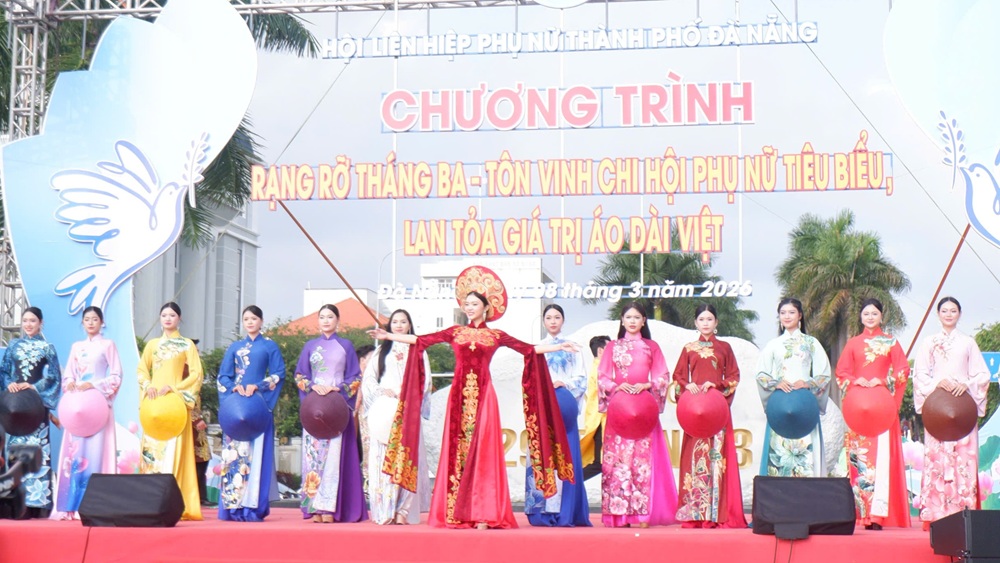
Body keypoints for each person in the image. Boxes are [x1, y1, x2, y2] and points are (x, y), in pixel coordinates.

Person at [369, 265, 576, 530]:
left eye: (474, 304)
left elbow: (529, 349)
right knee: (457, 453)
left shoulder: (495, 335)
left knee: (484, 453)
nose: (469, 308)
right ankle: (457, 511)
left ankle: (484, 512)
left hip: (484, 397)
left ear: (486, 307)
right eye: (466, 304)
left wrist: (558, 346)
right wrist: (389, 335)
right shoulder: (455, 332)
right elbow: (422, 340)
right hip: (459, 397)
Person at [598, 302, 677, 528]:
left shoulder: (651, 347)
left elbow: (663, 376)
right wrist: (616, 387)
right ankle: (620, 515)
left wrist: (647, 384)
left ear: (644, 321)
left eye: (637, 317)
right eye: (628, 317)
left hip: (643, 409)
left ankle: (644, 514)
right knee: (619, 462)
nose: (632, 321)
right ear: (622, 321)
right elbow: (602, 377)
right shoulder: (612, 347)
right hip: (620, 410)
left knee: (643, 462)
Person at [913, 297, 990, 528]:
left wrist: (966, 383)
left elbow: (982, 375)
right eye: (944, 311)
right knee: (936, 459)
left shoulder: (968, 343)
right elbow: (919, 375)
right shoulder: (929, 342)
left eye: (953, 311)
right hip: (938, 408)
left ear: (959, 314)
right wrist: (937, 383)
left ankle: (963, 512)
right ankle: (935, 514)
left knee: (964, 459)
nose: (948, 314)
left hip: (962, 409)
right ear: (938, 314)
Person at [835, 297, 910, 530]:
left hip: (881, 408)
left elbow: (903, 371)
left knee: (881, 458)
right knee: (859, 460)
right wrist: (855, 381)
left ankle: (877, 514)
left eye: (874, 313)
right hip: (859, 409)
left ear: (881, 316)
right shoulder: (853, 343)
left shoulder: (891, 342)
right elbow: (841, 373)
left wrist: (883, 380)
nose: (870, 317)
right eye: (866, 313)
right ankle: (861, 512)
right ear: (860, 317)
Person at [673, 303, 746, 529]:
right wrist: (688, 386)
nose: (705, 323)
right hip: (695, 412)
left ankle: (717, 514)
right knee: (694, 459)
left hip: (716, 410)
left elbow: (734, 376)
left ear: (716, 323)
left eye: (709, 319)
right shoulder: (688, 348)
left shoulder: (725, 347)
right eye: (701, 319)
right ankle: (695, 514)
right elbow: (678, 377)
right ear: (695, 323)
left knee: (718, 460)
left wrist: (716, 385)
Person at [294, 304, 366, 523]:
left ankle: (330, 509)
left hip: (335, 406)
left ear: (338, 320)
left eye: (330, 317)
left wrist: (338, 388)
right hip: (315, 407)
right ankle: (314, 508)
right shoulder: (309, 346)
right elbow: (300, 375)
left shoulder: (345, 346)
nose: (326, 321)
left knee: (334, 458)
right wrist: (312, 386)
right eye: (322, 317)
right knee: (313, 458)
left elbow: (355, 377)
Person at [51, 306, 121, 520]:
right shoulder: (77, 347)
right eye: (87, 319)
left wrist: (94, 385)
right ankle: (70, 506)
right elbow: (68, 376)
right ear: (82, 323)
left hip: (97, 405)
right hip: (78, 408)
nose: (90, 323)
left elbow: (116, 376)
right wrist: (71, 384)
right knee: (74, 455)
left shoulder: (108, 345)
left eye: (95, 319)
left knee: (97, 452)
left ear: (102, 322)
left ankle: (95, 504)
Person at [217, 305, 286, 522]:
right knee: (234, 456)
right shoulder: (235, 347)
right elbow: (223, 376)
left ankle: (252, 507)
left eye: (254, 318)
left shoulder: (269, 346)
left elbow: (279, 374)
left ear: (261, 321)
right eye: (246, 319)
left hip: (258, 406)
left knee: (256, 456)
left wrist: (258, 386)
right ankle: (233, 507)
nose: (250, 322)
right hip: (236, 407)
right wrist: (234, 388)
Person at [362, 309, 431, 525]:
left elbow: (426, 381)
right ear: (390, 325)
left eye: (403, 322)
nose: (399, 325)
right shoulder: (382, 351)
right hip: (385, 411)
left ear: (409, 325)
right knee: (384, 460)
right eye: (395, 322)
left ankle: (403, 511)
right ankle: (386, 510)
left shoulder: (418, 350)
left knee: (407, 460)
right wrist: (382, 391)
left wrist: (412, 396)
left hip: (408, 411)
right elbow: (369, 379)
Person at [524, 304, 591, 527]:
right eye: (549, 317)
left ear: (563, 320)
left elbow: (581, 378)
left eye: (557, 317)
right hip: (543, 406)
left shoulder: (573, 347)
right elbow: (529, 379)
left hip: (563, 404)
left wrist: (565, 383)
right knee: (542, 452)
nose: (553, 321)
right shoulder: (536, 349)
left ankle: (565, 512)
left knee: (565, 453)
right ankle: (541, 512)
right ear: (543, 321)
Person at [138, 302, 204, 521]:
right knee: (152, 453)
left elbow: (196, 374)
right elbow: (141, 370)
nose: (168, 318)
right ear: (160, 319)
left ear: (179, 319)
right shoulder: (152, 345)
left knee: (174, 453)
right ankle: (149, 502)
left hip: (175, 405)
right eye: (164, 315)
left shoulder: (187, 345)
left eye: (172, 315)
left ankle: (173, 504)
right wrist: (148, 386)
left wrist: (176, 388)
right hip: (155, 406)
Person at [755, 298, 832, 477]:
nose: (787, 316)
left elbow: (824, 374)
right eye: (783, 313)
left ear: (800, 316)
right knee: (778, 455)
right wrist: (776, 383)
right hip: (781, 407)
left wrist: (808, 383)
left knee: (807, 455)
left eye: (791, 312)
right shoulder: (773, 344)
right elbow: (761, 374)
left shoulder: (811, 343)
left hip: (804, 405)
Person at [0, 307, 62, 518]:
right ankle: (15, 503)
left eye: (33, 321)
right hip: (15, 407)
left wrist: (34, 386)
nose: (28, 324)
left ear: (41, 323)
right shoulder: (14, 345)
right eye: (25, 320)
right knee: (15, 450)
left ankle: (37, 504)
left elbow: (54, 377)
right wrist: (10, 384)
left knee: (37, 451)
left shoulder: (47, 347)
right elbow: (4, 372)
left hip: (35, 407)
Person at [580, 335, 610, 480]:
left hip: (600, 420)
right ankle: (570, 485)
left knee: (600, 462)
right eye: (609, 349)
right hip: (600, 421)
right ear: (600, 351)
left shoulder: (600, 368)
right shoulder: (600, 369)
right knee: (599, 463)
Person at [355, 344, 375, 500]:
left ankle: (369, 482)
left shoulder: (373, 377)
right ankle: (367, 482)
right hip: (360, 418)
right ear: (362, 360)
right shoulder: (357, 378)